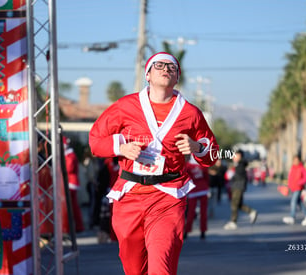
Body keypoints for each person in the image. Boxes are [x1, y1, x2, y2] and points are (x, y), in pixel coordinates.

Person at [89, 52, 218, 275]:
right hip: (129, 196)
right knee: (134, 267)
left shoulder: (190, 113)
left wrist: (197, 147)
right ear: (147, 74)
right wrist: (120, 148)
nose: (166, 69)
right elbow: (95, 141)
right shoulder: (125, 106)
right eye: (159, 65)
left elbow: (214, 155)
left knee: (161, 265)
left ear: (177, 77)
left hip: (168, 197)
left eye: (172, 67)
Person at [223, 150, 258, 230]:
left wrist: (231, 176)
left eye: (235, 155)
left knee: (234, 204)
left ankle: (233, 221)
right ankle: (251, 212)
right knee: (238, 204)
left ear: (239, 156)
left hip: (238, 187)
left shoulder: (240, 164)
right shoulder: (239, 164)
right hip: (237, 186)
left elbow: (238, 176)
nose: (233, 157)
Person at [282, 155, 306, 226]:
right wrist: (289, 186)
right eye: (294, 160)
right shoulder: (292, 168)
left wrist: (300, 182)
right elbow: (290, 177)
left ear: (299, 161)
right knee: (299, 202)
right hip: (293, 188)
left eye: (297, 160)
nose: (295, 162)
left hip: (298, 188)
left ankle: (292, 217)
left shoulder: (301, 168)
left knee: (293, 201)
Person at [184, 155, 210, 240]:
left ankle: (187, 232)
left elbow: (186, 178)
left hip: (193, 190)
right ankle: (203, 231)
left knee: (190, 212)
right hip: (203, 189)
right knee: (203, 212)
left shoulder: (187, 166)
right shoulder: (202, 164)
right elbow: (206, 177)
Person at [63, 138, 85, 237]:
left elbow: (69, 169)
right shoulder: (69, 155)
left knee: (71, 207)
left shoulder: (70, 156)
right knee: (72, 207)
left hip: (70, 183)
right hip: (70, 183)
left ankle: (74, 227)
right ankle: (75, 226)